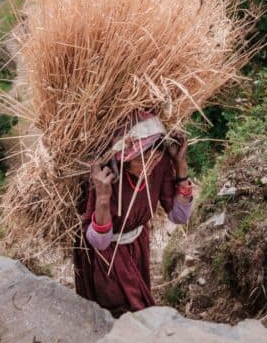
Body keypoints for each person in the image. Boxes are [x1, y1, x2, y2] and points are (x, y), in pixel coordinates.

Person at [73, 112, 193, 317]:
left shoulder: (161, 163)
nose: (149, 164)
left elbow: (179, 217)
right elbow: (99, 241)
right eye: (141, 157)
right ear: (124, 157)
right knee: (118, 313)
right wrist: (102, 197)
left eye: (154, 155)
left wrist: (180, 166)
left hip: (138, 245)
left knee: (139, 311)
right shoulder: (106, 176)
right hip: (107, 257)